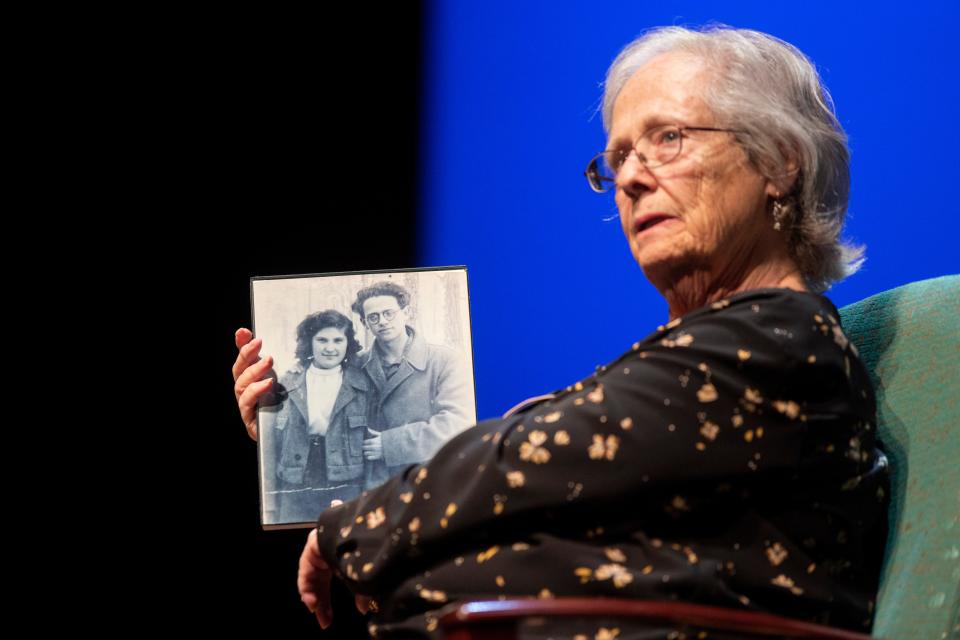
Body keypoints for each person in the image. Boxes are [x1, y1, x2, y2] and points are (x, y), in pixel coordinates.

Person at [236, 25, 888, 638]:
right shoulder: (704, 362)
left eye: (669, 138)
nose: (630, 177)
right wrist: (303, 438)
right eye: (618, 157)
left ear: (778, 162)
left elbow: (519, 467)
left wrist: (349, 528)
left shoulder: (774, 343)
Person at [241, 309, 373, 524]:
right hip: (295, 483)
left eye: (338, 340)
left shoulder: (362, 385)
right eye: (322, 340)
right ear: (309, 342)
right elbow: (269, 446)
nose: (330, 348)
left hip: (347, 484)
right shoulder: (287, 382)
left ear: (347, 343)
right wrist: (270, 504)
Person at [349, 281, 476, 489]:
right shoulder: (357, 364)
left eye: (389, 313)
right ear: (365, 323)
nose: (382, 321)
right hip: (371, 484)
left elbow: (456, 424)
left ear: (406, 312)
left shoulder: (445, 360)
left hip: (427, 480)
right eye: (373, 317)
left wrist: (390, 445)